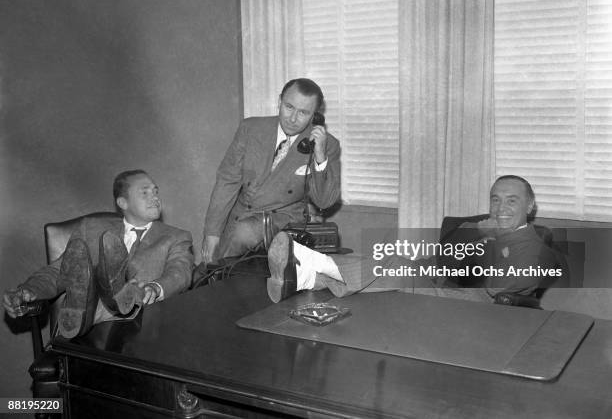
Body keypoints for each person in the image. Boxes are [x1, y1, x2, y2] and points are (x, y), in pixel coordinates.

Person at [265, 175, 565, 303]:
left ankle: (310, 267)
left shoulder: (535, 250)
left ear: (530, 207)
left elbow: (496, 287)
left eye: (512, 201)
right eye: (496, 200)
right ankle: (306, 276)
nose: (500, 208)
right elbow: (448, 257)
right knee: (389, 263)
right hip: (443, 279)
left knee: (394, 276)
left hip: (473, 304)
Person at [3, 170, 194, 338]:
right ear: (123, 202)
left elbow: (180, 273)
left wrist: (154, 288)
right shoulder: (92, 229)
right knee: (84, 275)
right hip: (91, 332)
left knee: (132, 294)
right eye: (145, 192)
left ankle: (114, 296)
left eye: (156, 191)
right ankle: (91, 305)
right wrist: (28, 291)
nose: (155, 198)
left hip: (140, 327)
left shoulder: (176, 237)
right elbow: (60, 271)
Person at [202, 78, 341, 263]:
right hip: (241, 213)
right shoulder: (250, 129)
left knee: (244, 235)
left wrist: (320, 156)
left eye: (303, 112)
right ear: (279, 101)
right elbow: (227, 181)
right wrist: (212, 233)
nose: (292, 119)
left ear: (315, 116)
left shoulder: (327, 144)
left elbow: (324, 201)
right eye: (289, 107)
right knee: (214, 266)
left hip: (283, 218)